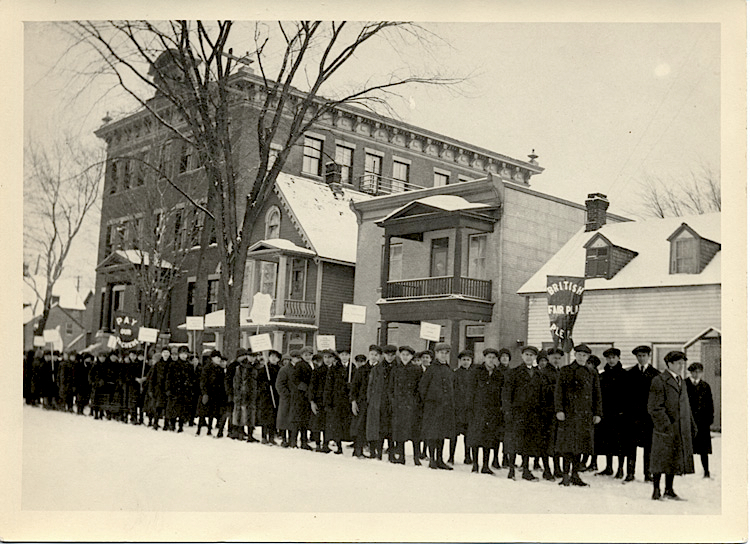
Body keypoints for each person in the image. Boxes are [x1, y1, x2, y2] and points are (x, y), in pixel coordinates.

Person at [648, 351, 696, 500]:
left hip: (680, 428)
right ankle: (656, 490)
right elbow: (654, 407)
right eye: (678, 363)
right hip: (665, 428)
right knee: (660, 459)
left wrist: (692, 424)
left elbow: (686, 405)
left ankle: (669, 489)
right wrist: (666, 425)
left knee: (673, 459)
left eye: (682, 363)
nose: (681, 366)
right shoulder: (659, 380)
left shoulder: (681, 380)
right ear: (669, 364)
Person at [554, 343, 603, 486]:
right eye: (580, 355)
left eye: (585, 355)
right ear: (575, 355)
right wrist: (559, 410)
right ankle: (565, 475)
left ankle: (575, 474)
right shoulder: (566, 370)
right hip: (568, 414)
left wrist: (598, 413)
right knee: (567, 446)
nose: (582, 358)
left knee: (580, 446)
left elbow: (597, 395)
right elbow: (559, 393)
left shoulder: (592, 372)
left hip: (585, 415)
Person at [503, 346, 546, 481]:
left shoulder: (538, 374)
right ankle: (511, 469)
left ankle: (526, 470)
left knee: (528, 442)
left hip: (533, 414)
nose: (529, 357)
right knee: (514, 440)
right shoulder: (514, 372)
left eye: (532, 355)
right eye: (526, 354)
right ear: (522, 356)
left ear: (535, 358)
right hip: (517, 412)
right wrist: (507, 411)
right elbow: (506, 393)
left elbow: (542, 395)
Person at [623, 345, 660, 483]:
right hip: (633, 417)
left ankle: (648, 473)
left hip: (648, 417)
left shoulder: (656, 374)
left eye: (644, 356)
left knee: (649, 446)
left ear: (649, 356)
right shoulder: (630, 373)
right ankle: (630, 473)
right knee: (630, 446)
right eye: (639, 356)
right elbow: (625, 396)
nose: (641, 358)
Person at [466, 348, 504, 475]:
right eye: (489, 357)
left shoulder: (499, 374)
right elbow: (470, 391)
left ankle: (486, 465)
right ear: (484, 358)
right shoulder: (476, 372)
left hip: (492, 411)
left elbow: (501, 393)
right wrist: (470, 408)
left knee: (489, 438)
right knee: (476, 437)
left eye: (493, 357)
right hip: (477, 410)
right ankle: (475, 464)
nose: (491, 360)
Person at [419, 342, 456, 470]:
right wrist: (430, 402)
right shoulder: (431, 369)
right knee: (432, 433)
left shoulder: (449, 369)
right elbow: (422, 388)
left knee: (442, 433)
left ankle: (440, 459)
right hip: (433, 407)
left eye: (445, 353)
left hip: (445, 407)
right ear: (436, 354)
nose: (443, 355)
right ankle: (432, 459)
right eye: (441, 353)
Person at [595, 348, 627, 478]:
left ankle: (620, 468)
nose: (611, 360)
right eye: (609, 358)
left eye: (614, 357)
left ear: (618, 358)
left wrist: (624, 411)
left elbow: (629, 396)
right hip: (606, 414)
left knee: (620, 443)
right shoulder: (603, 376)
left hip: (620, 415)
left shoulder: (625, 375)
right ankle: (608, 467)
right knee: (607, 441)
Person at [388, 345, 423, 465]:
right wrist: (393, 401)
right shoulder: (396, 369)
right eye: (403, 355)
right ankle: (401, 456)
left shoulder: (417, 369)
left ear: (412, 356)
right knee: (400, 432)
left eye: (407, 355)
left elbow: (420, 388)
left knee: (415, 433)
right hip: (399, 405)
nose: (405, 357)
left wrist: (416, 402)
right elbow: (391, 387)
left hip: (412, 406)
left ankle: (416, 457)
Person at [366, 344, 395, 461]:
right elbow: (371, 385)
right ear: (384, 355)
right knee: (378, 428)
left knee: (391, 429)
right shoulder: (377, 369)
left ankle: (391, 453)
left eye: (392, 355)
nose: (390, 357)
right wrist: (371, 400)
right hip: (378, 402)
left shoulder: (397, 368)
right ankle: (378, 452)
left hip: (392, 402)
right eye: (388, 355)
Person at [685, 362, 714, 478]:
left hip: (702, 422)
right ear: (690, 372)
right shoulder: (684, 384)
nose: (697, 374)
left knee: (703, 449)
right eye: (694, 372)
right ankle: (685, 470)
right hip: (688, 420)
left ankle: (706, 471)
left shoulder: (705, 386)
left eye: (699, 372)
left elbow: (710, 404)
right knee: (687, 447)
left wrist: (709, 419)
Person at [537, 348, 561, 479]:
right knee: (546, 441)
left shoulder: (560, 371)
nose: (556, 360)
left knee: (557, 441)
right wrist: (558, 388)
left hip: (557, 412)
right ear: (549, 358)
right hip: (546, 412)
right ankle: (546, 469)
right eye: (554, 357)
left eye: (558, 358)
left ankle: (557, 468)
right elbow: (543, 391)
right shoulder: (544, 372)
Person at [322, 350, 349, 454]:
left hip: (346, 402)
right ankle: (337, 445)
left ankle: (341, 443)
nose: (344, 357)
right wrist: (327, 401)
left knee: (343, 425)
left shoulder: (352, 368)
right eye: (342, 355)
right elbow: (328, 387)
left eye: (346, 355)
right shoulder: (334, 369)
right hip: (335, 401)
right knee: (334, 424)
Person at [450, 350, 474, 465]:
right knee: (453, 435)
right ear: (460, 361)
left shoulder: (474, 374)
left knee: (468, 435)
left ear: (471, 361)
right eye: (464, 360)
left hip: (469, 409)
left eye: (468, 360)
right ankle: (451, 456)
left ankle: (467, 456)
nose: (466, 362)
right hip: (457, 409)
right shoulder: (455, 373)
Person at [196, 350, 226, 436]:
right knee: (203, 412)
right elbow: (203, 381)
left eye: (219, 358)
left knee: (212, 413)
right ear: (212, 358)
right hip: (207, 393)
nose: (218, 359)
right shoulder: (207, 368)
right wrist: (204, 392)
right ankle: (199, 429)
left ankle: (209, 429)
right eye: (217, 358)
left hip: (216, 393)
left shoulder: (220, 369)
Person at [231, 349, 258, 442]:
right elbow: (236, 382)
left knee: (251, 414)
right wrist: (237, 393)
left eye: (254, 356)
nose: (252, 358)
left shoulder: (258, 367)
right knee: (241, 413)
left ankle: (250, 434)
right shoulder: (240, 368)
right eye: (250, 356)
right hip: (242, 394)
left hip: (253, 394)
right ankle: (240, 433)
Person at [289, 346, 314, 449]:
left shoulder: (312, 365)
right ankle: (293, 441)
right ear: (302, 356)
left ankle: (304, 441)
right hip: (300, 396)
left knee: (304, 420)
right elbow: (295, 380)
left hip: (306, 396)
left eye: (310, 355)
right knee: (298, 419)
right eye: (306, 355)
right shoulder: (300, 365)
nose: (308, 357)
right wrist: (305, 389)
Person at [349, 351, 372, 458]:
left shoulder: (378, 369)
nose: (374, 357)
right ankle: (357, 450)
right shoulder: (361, 370)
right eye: (372, 354)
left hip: (372, 403)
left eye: (377, 355)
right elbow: (354, 388)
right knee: (359, 426)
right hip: (361, 402)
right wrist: (353, 401)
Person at [256, 350, 280, 445]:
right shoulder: (264, 369)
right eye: (272, 356)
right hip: (266, 396)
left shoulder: (279, 369)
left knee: (273, 417)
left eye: (276, 357)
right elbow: (259, 382)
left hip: (276, 395)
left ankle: (271, 436)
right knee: (265, 416)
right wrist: (266, 384)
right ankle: (264, 436)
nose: (274, 358)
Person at [308, 352, 329, 452]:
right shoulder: (317, 371)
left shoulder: (334, 370)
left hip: (329, 401)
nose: (327, 359)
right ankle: (317, 443)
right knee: (317, 423)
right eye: (325, 357)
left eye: (330, 357)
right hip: (318, 400)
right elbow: (312, 387)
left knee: (327, 424)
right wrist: (312, 401)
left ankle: (326, 444)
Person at [275, 351, 296, 447]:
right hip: (286, 398)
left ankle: (292, 439)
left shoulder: (298, 369)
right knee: (283, 419)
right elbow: (279, 384)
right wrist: (286, 394)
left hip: (295, 398)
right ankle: (284, 438)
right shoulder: (284, 370)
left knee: (292, 419)